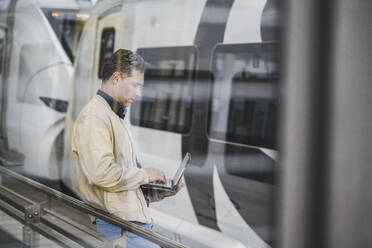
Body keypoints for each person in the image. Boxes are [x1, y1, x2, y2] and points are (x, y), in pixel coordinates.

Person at [71, 49, 184, 248]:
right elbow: (101, 173)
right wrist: (143, 174)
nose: (138, 93)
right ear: (116, 78)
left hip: (131, 226)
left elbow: (121, 186)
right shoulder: (95, 116)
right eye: (135, 85)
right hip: (120, 228)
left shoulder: (112, 115)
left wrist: (158, 191)